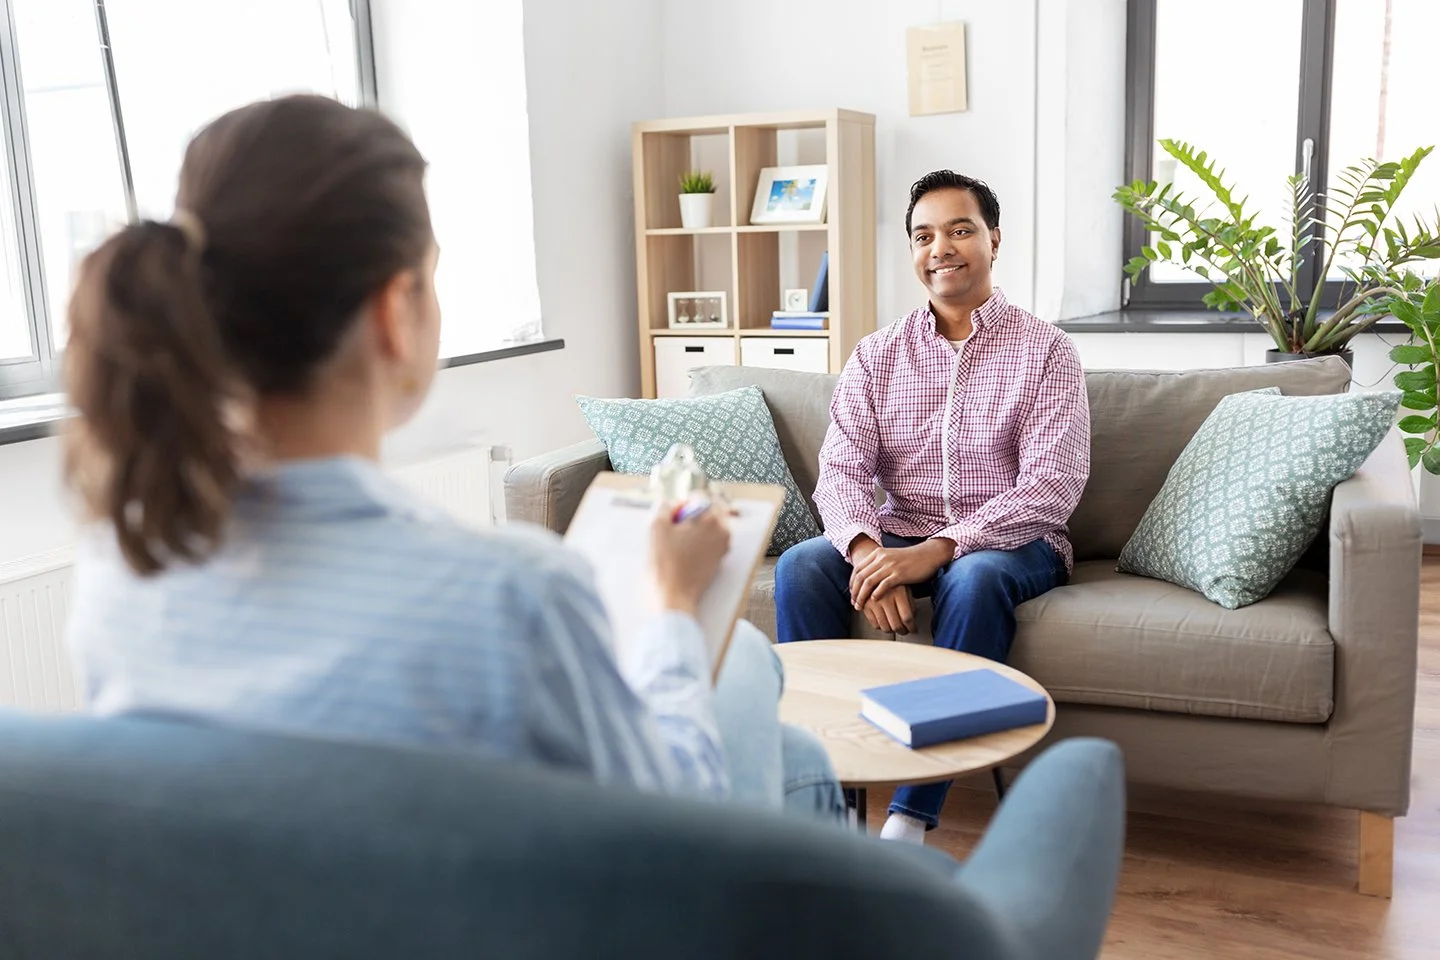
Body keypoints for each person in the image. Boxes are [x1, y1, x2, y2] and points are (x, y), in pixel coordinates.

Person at [62, 94, 843, 823]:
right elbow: (672, 833)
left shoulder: (120, 568)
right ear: (395, 312)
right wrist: (674, 604)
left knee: (792, 748)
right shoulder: (514, 593)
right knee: (745, 670)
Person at [773, 170, 1090, 843]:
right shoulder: (876, 355)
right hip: (898, 529)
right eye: (924, 235)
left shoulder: (1047, 352)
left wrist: (933, 553)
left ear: (994, 240)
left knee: (974, 580)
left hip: (1013, 542)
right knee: (802, 566)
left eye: (959, 230)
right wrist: (868, 556)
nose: (940, 247)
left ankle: (911, 817)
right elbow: (840, 471)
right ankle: (815, 804)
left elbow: (1051, 487)